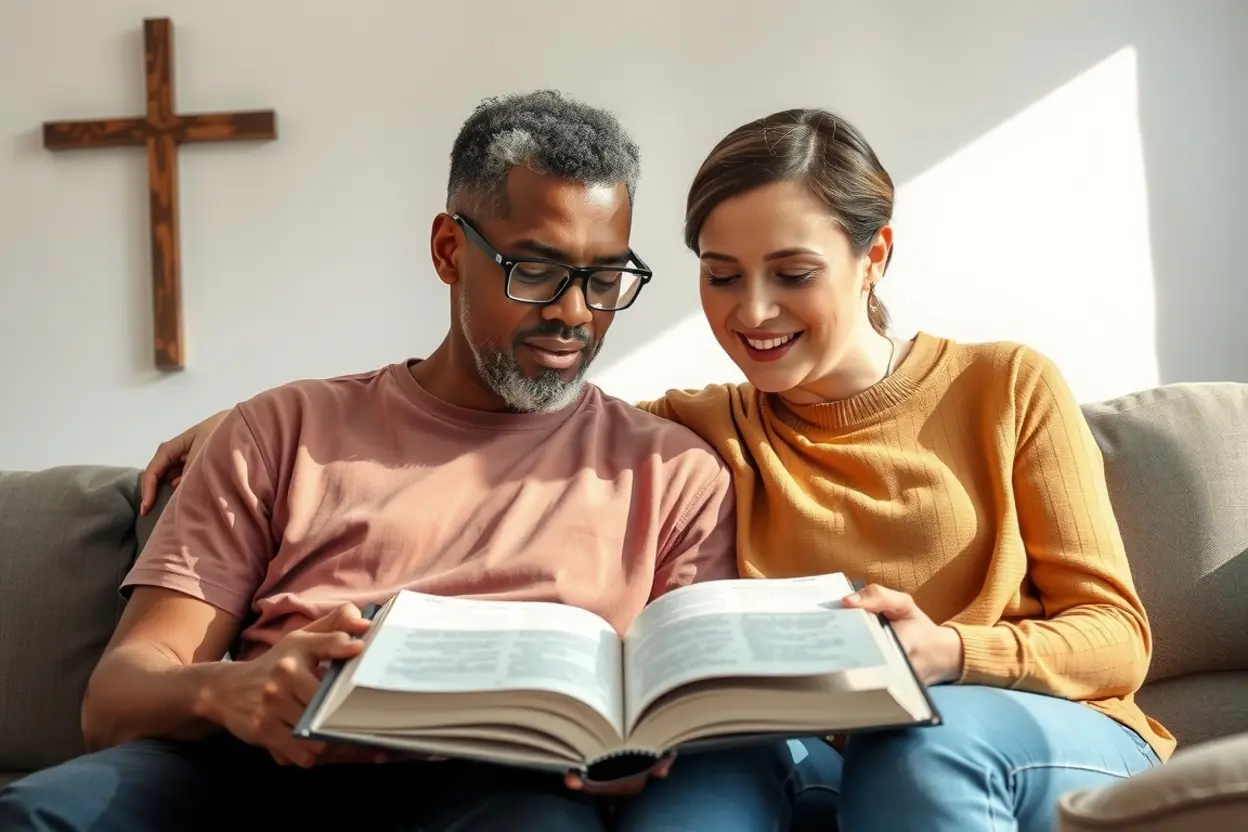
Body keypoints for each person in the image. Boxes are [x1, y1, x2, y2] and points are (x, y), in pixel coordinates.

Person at [123, 105, 1177, 832]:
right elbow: (506, 411)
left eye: (792, 273)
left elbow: (1116, 638)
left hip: (1011, 726)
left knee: (923, 750)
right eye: (722, 277)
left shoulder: (1005, 387)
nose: (752, 313)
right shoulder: (701, 427)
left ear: (877, 256)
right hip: (806, 745)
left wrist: (946, 650)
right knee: (685, 805)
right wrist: (241, 421)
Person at [0, 91, 805, 832]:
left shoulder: (672, 474)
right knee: (43, 811)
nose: (574, 313)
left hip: (501, 794)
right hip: (256, 770)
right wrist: (233, 689)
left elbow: (683, 713)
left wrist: (634, 754)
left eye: (604, 279)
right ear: (449, 249)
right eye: (536, 270)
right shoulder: (283, 429)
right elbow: (116, 698)